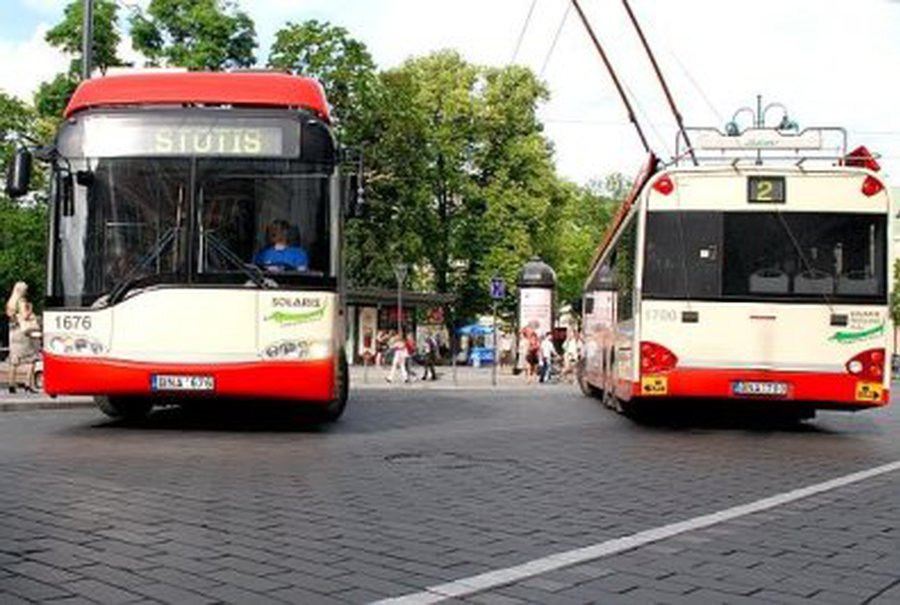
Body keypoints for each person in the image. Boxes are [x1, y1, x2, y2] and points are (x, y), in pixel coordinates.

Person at [5, 282, 39, 393]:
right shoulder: (22, 302)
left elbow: (10, 316)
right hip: (23, 332)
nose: (26, 292)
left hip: (12, 333)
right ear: (22, 290)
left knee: (14, 360)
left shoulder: (10, 303)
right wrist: (30, 311)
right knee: (32, 359)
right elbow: (24, 316)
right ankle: (28, 384)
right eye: (25, 290)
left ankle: (11, 384)